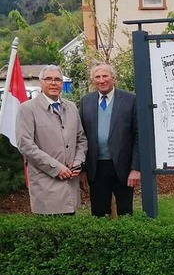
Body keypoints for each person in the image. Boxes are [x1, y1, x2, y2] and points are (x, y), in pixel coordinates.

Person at [16, 65, 87, 215]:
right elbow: (25, 145)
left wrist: (78, 162)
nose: (53, 83)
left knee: (70, 234)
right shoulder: (28, 109)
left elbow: (81, 139)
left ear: (62, 83)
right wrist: (56, 168)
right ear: (40, 83)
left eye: (57, 79)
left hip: (70, 185)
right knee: (49, 235)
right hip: (45, 186)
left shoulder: (72, 107)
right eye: (48, 79)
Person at [79, 63, 140, 217]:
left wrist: (136, 168)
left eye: (105, 76)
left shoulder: (130, 100)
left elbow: (138, 135)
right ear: (93, 80)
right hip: (96, 168)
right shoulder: (86, 101)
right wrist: (83, 169)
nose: (102, 80)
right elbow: (81, 136)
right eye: (97, 77)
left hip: (123, 168)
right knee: (99, 214)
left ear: (113, 78)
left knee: (126, 213)